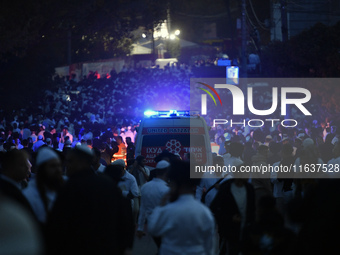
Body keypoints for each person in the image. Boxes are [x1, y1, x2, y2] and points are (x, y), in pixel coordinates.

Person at [148, 160, 215, 255]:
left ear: (175, 184)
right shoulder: (204, 212)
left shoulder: (168, 210)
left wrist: (160, 206)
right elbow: (209, 246)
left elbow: (153, 228)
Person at [210, 166, 256, 255]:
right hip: (229, 231)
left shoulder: (249, 188)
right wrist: (230, 218)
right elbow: (215, 207)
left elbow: (252, 208)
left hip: (246, 229)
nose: (248, 176)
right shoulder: (226, 187)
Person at [23, 147, 64, 223]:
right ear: (42, 169)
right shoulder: (29, 195)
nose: (58, 170)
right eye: (53, 166)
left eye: (59, 165)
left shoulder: (62, 191)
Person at [136, 160, 170, 248]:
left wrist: (140, 228)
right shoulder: (166, 189)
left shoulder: (146, 187)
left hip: (151, 224)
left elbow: (142, 208)